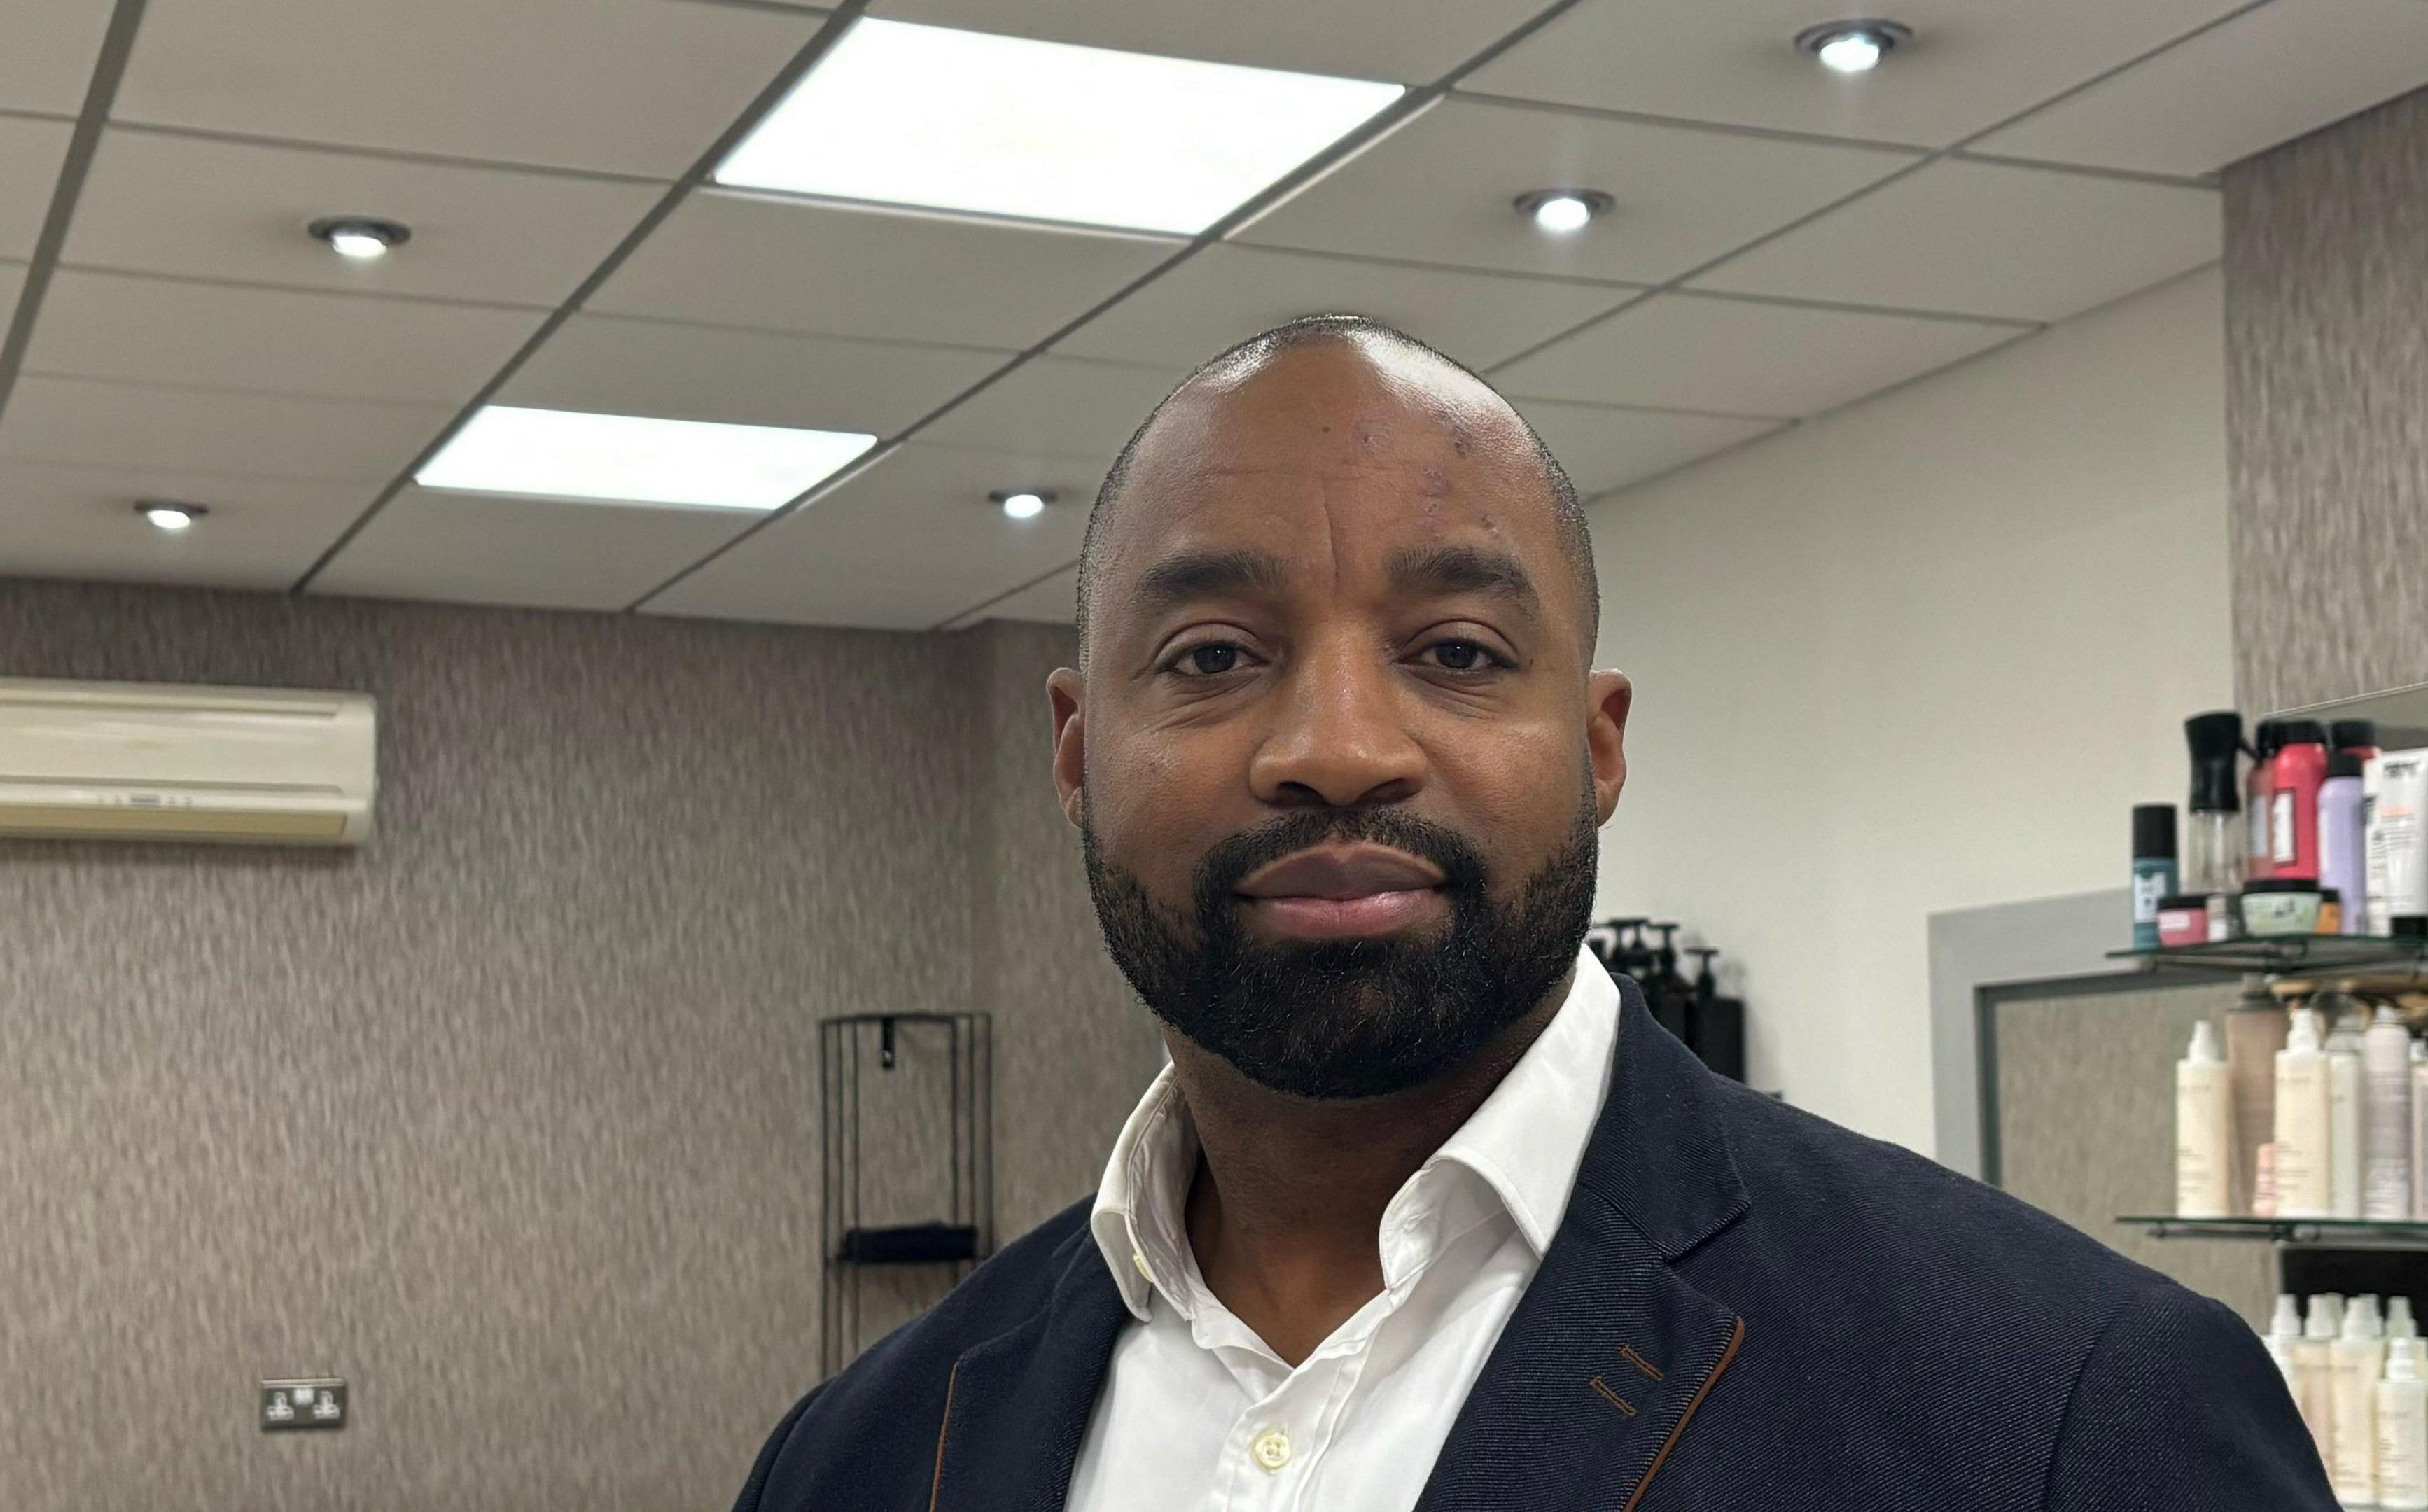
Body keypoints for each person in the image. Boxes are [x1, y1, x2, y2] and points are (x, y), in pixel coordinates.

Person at [731, 316, 2333, 1510]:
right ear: (1080, 755)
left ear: (1597, 745)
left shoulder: (2066, 1416)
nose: (1338, 749)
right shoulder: (857, 1455)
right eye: (1216, 655)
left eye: (1458, 653)